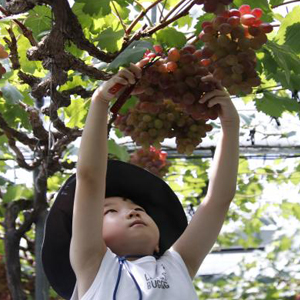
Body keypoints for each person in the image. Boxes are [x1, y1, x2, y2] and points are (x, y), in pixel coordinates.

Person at [41, 62, 240, 300]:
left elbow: (218, 200)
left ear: (159, 243)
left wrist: (230, 126)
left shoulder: (178, 265)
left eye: (138, 208)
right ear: (90, 233)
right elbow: (90, 178)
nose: (133, 212)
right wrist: (101, 101)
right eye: (110, 211)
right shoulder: (95, 266)